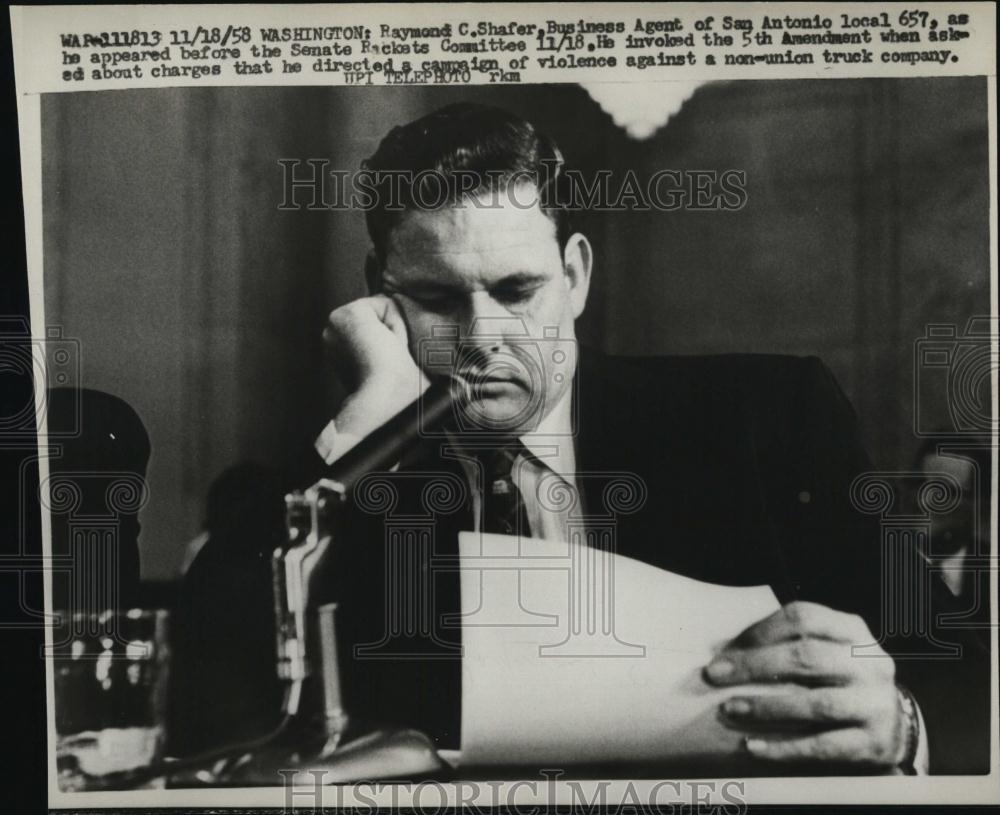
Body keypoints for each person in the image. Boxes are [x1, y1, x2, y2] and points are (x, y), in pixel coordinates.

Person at [312, 102, 988, 775]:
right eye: (435, 298)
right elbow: (219, 684)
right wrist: (363, 426)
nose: (483, 338)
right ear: (379, 294)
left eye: (517, 289)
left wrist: (904, 725)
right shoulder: (355, 471)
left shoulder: (772, 419)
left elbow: (964, 671)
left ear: (574, 277)